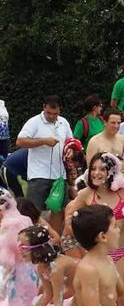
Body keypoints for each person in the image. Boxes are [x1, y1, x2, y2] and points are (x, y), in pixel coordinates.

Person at [64, 153, 124, 284]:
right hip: (97, 255)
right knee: (102, 298)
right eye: (93, 168)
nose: (96, 173)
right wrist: (84, 241)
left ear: (111, 171)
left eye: (102, 169)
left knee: (121, 299)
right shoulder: (86, 194)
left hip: (122, 252)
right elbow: (70, 219)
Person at [12, 225, 78, 306]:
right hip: (73, 291)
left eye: (24, 247)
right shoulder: (40, 265)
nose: (19, 250)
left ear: (38, 250)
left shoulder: (55, 268)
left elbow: (58, 302)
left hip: (86, 288)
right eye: (19, 245)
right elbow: (48, 294)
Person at [16, 95, 73, 232]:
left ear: (60, 110)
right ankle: (34, 240)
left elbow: (70, 142)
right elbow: (20, 142)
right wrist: (43, 141)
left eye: (55, 114)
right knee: (33, 211)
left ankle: (53, 242)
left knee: (58, 210)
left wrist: (70, 150)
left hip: (59, 175)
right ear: (43, 108)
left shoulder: (63, 122)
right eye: (49, 113)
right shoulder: (34, 122)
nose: (52, 116)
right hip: (38, 174)